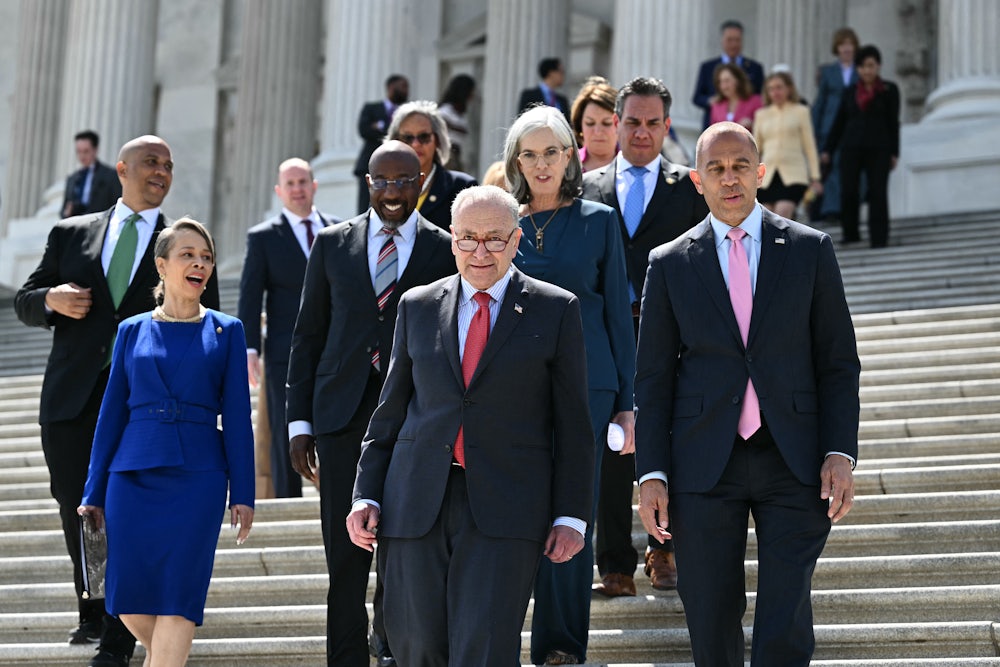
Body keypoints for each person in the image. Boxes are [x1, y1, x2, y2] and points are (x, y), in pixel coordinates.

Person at [634, 121, 860, 666]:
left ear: (760, 173)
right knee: (710, 614)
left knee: (785, 616)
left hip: (795, 456)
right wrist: (652, 473)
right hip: (702, 462)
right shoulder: (669, 262)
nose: (729, 178)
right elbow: (653, 379)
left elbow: (837, 361)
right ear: (697, 180)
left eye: (740, 166)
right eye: (716, 168)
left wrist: (840, 451)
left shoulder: (809, 249)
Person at [346, 185, 595, 667]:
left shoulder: (555, 308)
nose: (480, 251)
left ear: (516, 240)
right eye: (468, 239)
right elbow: (390, 411)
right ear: (453, 239)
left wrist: (571, 515)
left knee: (483, 648)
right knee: (416, 646)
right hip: (415, 503)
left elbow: (573, 425)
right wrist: (366, 495)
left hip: (506, 506)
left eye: (495, 239)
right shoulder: (416, 305)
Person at [14, 134, 220, 667]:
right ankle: (92, 606)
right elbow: (24, 300)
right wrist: (51, 299)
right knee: (75, 502)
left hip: (145, 407)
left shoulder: (186, 246)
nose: (162, 171)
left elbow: (208, 328)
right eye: (151, 162)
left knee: (128, 514)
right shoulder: (70, 232)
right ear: (122, 169)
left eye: (169, 165)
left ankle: (116, 638)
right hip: (72, 396)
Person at [285, 141, 455, 667]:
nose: (392, 192)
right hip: (340, 416)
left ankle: (391, 649)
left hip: (413, 417)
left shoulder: (444, 246)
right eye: (382, 181)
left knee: (400, 548)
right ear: (368, 183)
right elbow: (308, 336)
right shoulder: (331, 244)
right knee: (345, 557)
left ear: (421, 182)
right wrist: (298, 422)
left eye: (404, 180)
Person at [77, 218, 253, 667]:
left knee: (179, 598)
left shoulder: (228, 330)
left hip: (198, 480)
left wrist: (244, 492)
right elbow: (111, 415)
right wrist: (93, 492)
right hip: (131, 477)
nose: (200, 264)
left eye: (207, 257)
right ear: (161, 265)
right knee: (125, 599)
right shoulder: (130, 330)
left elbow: (237, 417)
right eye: (187, 255)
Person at [503, 105, 633, 665]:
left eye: (551, 152)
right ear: (516, 162)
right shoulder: (500, 223)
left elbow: (619, 316)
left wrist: (627, 403)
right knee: (517, 513)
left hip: (589, 386)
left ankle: (560, 646)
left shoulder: (599, 221)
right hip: (512, 390)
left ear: (568, 156)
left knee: (572, 514)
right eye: (529, 154)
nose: (541, 164)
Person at [582, 76, 708, 597]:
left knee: (668, 440)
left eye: (653, 123)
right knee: (613, 444)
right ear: (616, 123)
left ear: (667, 126)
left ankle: (665, 549)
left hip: (671, 335)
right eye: (632, 121)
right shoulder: (585, 188)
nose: (641, 132)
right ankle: (614, 563)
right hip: (607, 337)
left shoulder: (689, 189)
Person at [237, 158, 341, 499]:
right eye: (290, 184)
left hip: (335, 348)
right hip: (285, 351)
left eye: (302, 182)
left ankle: (336, 493)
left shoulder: (339, 230)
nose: (297, 189)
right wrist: (250, 348)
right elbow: (251, 295)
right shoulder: (263, 238)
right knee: (287, 429)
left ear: (314, 185)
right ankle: (287, 497)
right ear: (279, 191)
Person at [822, 44, 900, 248]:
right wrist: (828, 149)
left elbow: (893, 123)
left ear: (878, 66)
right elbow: (839, 123)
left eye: (871, 65)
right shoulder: (850, 92)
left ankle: (879, 238)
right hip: (851, 148)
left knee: (878, 192)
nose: (867, 71)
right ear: (858, 69)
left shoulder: (889, 90)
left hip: (879, 149)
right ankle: (851, 234)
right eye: (863, 66)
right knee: (849, 191)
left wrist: (894, 152)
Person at [386, 101, 477, 231]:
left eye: (423, 136)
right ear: (395, 142)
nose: (416, 144)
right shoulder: (382, 185)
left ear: (438, 140)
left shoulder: (462, 187)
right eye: (407, 138)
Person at [753, 71, 823, 220]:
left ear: (789, 89)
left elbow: (810, 147)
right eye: (771, 89)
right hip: (767, 176)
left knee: (782, 212)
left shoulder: (801, 111)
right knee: (765, 219)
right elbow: (755, 149)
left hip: (794, 174)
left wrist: (815, 177)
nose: (775, 92)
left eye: (779, 87)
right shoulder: (761, 114)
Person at [812, 27, 860, 224]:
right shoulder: (829, 72)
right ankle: (832, 209)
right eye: (842, 45)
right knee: (832, 168)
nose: (846, 48)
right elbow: (820, 102)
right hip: (830, 127)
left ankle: (850, 208)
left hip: (854, 127)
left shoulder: (861, 70)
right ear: (837, 48)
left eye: (849, 44)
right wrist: (815, 130)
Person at [353, 74, 410, 214]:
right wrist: (392, 135)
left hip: (396, 167)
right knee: (364, 206)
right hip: (369, 164)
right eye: (403, 86)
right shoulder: (371, 108)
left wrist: (380, 129)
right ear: (391, 87)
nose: (406, 91)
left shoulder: (406, 114)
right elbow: (364, 130)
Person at [693, 20, 765, 129]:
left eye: (737, 40)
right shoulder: (708, 67)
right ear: (722, 40)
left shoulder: (755, 68)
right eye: (729, 40)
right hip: (715, 125)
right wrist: (711, 101)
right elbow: (697, 97)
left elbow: (762, 97)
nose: (734, 44)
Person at [62, 130, 122, 218]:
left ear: (95, 150)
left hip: (100, 223)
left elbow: (117, 205)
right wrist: (67, 212)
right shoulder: (72, 179)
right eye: (78, 151)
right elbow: (63, 210)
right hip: (75, 223)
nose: (82, 156)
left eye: (86, 151)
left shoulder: (111, 176)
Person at [569, 76, 618, 172]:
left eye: (606, 123)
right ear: (580, 126)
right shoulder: (565, 166)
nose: (598, 132)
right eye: (590, 123)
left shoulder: (636, 165)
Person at [438, 73, 476, 171]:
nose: (473, 95)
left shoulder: (460, 114)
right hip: (447, 155)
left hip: (457, 155)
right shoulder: (445, 111)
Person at [709, 63, 763, 131]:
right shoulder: (716, 105)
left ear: (738, 80)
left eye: (727, 81)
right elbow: (712, 133)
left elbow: (765, 128)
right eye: (720, 82)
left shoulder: (756, 101)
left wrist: (753, 124)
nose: (723, 86)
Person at [518, 57, 571, 122]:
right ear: (551, 73)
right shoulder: (529, 96)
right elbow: (522, 120)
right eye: (561, 72)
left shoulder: (562, 101)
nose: (563, 76)